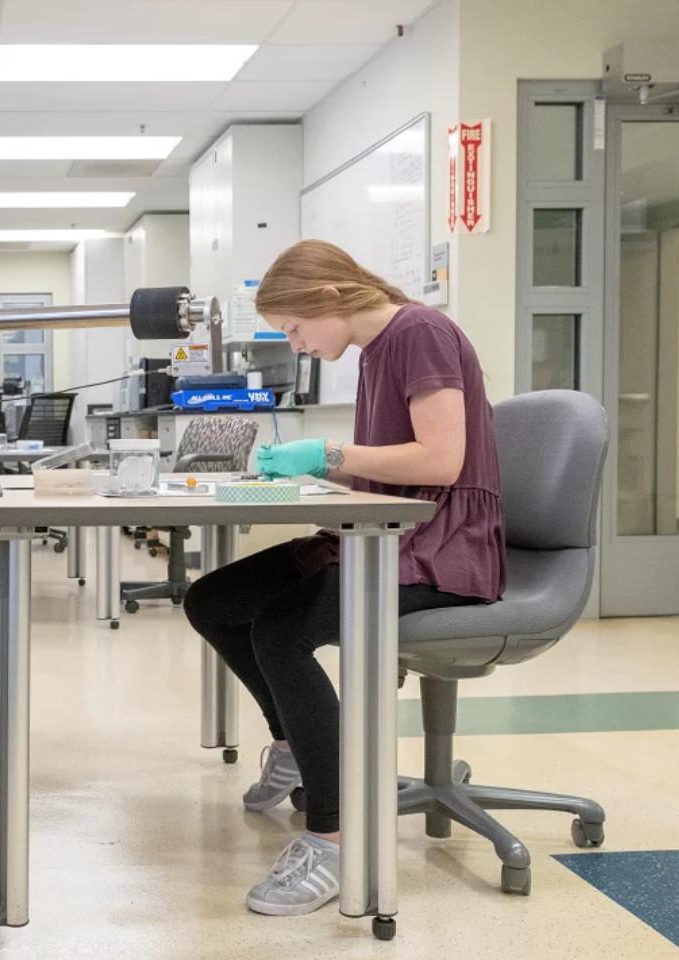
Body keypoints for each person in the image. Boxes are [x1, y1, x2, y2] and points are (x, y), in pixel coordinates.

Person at [182, 240, 506, 917]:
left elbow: (443, 461)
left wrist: (327, 452)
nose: (296, 345)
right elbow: (391, 463)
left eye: (296, 329)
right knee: (215, 600)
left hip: (440, 546)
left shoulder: (420, 332)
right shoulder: (380, 349)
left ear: (330, 299)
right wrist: (309, 472)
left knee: (283, 631)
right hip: (385, 531)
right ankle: (296, 748)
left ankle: (331, 838)